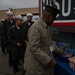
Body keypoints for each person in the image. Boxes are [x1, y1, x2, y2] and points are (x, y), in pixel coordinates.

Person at [24, 5, 64, 75]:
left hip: (44, 66)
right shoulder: (35, 28)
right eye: (53, 19)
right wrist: (49, 61)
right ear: (48, 16)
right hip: (36, 68)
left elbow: (50, 43)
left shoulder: (46, 27)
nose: (53, 21)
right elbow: (34, 48)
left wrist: (58, 50)